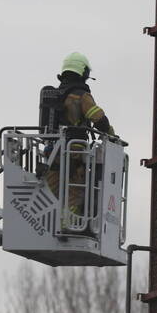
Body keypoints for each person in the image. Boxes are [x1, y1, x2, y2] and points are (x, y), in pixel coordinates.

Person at [42, 52, 115, 230]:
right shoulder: (81, 96)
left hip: (53, 153)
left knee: (52, 191)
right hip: (75, 153)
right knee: (75, 193)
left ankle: (49, 226)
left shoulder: (55, 95)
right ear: (83, 72)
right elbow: (98, 118)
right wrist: (111, 135)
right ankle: (69, 226)